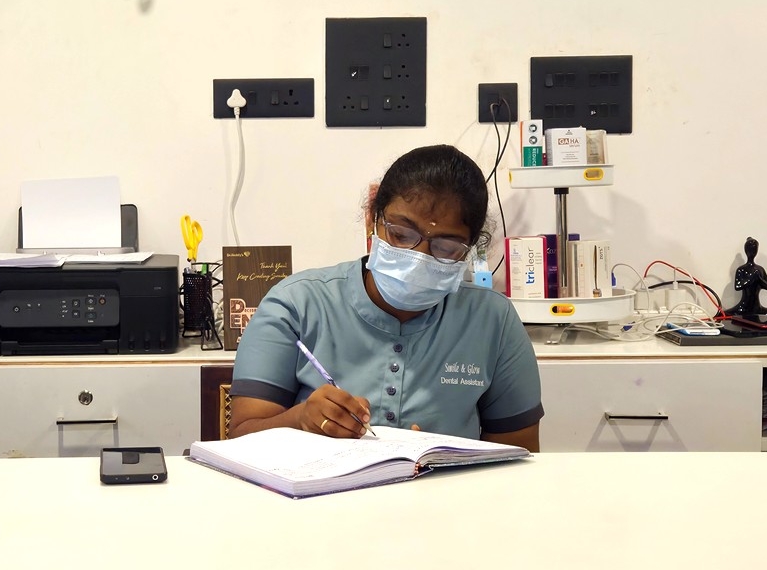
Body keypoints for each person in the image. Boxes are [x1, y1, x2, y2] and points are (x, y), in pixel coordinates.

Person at [227, 145, 542, 449]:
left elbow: (521, 455)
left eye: (446, 248)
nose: (419, 259)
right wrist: (300, 421)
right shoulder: (295, 306)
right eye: (401, 234)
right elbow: (240, 437)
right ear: (372, 218)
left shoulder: (493, 321)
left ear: (470, 249)